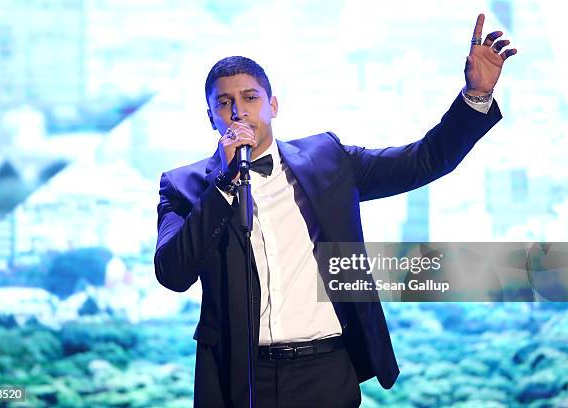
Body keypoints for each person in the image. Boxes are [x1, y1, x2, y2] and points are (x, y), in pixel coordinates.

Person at [154, 14, 517, 408]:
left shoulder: (327, 159)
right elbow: (173, 273)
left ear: (272, 105)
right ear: (211, 116)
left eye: (250, 97)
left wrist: (475, 97)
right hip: (238, 377)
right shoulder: (183, 186)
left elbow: (423, 161)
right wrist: (224, 185)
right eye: (224, 103)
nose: (238, 112)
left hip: (325, 369)